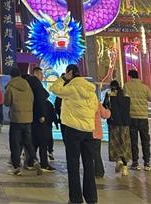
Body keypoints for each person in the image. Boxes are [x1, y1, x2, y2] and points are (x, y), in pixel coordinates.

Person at [50, 64, 99, 204]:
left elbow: (54, 89)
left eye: (67, 73)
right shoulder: (90, 90)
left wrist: (62, 79)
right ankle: (91, 197)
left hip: (73, 129)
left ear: (70, 73)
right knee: (89, 164)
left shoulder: (71, 88)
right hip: (88, 131)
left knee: (73, 164)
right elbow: (95, 107)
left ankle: (76, 198)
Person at [4, 67, 40, 176]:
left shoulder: (11, 86)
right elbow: (32, 99)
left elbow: (7, 102)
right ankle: (34, 160)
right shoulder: (27, 85)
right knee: (28, 142)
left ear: (11, 76)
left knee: (15, 144)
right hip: (28, 119)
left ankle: (17, 168)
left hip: (16, 119)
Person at [122, 69, 151, 171]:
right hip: (143, 117)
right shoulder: (144, 87)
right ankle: (147, 162)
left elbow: (124, 98)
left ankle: (135, 162)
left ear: (130, 76)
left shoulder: (127, 86)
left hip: (132, 117)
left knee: (133, 141)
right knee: (145, 140)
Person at [27, 66, 55, 173]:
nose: (43, 77)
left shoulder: (29, 82)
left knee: (34, 141)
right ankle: (44, 164)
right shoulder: (36, 83)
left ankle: (30, 162)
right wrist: (42, 115)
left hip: (30, 116)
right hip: (39, 117)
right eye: (41, 74)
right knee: (43, 141)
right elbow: (41, 98)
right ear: (37, 73)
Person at [103, 79, 132, 176]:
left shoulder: (109, 95)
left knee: (115, 144)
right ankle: (125, 168)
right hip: (125, 123)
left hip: (113, 123)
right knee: (124, 144)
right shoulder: (126, 95)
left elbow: (105, 106)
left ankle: (118, 160)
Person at [93, 98, 111, 178]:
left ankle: (92, 171)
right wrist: (109, 109)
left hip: (87, 132)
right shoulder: (96, 103)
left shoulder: (83, 103)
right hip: (97, 133)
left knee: (89, 154)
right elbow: (105, 115)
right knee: (97, 153)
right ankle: (99, 172)